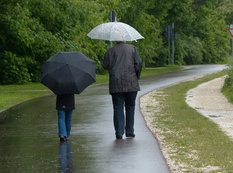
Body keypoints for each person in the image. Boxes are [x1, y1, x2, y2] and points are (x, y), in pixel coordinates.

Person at [103, 41, 142, 139]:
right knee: (130, 107)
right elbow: (138, 63)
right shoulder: (132, 49)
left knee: (118, 107)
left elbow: (105, 65)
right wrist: (137, 75)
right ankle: (129, 131)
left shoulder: (111, 51)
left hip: (116, 83)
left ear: (116, 40)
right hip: (131, 82)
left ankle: (119, 132)